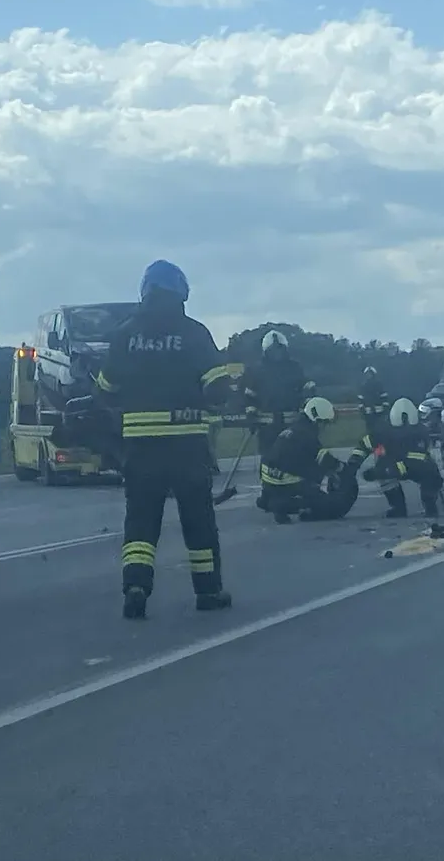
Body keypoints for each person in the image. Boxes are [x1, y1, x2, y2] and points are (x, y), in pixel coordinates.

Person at [94, 260, 234, 620]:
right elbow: (217, 387)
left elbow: (106, 389)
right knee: (198, 520)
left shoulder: (125, 334)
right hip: (187, 444)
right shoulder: (194, 333)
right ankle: (208, 591)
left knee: (141, 521)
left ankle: (136, 586)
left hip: (141, 447)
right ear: (181, 293)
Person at [241, 330, 315, 510]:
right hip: (267, 425)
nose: (277, 354)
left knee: (293, 458)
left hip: (292, 423)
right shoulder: (257, 370)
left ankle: (293, 493)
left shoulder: (294, 368)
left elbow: (307, 389)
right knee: (269, 460)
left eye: (280, 350)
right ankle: (268, 494)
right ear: (266, 351)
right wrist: (251, 415)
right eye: (274, 350)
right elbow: (250, 396)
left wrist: (308, 403)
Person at [257, 397, 358, 524]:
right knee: (327, 502)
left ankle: (270, 500)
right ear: (317, 419)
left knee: (312, 473)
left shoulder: (295, 428)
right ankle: (286, 505)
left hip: (268, 480)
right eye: (324, 422)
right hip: (285, 481)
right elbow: (324, 459)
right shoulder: (307, 433)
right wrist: (343, 469)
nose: (324, 427)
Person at [363, 397, 442, 518]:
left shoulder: (419, 432)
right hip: (399, 467)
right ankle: (399, 507)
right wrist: (354, 461)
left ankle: (429, 505)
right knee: (429, 473)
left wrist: (378, 471)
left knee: (431, 474)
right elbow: (366, 443)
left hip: (408, 468)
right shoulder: (419, 430)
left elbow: (420, 461)